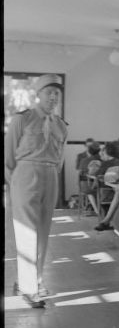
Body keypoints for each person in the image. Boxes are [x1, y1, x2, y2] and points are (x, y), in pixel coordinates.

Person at [5, 74, 68, 308]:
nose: (53, 97)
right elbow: (8, 157)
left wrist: (50, 176)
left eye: (57, 93)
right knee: (26, 232)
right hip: (25, 174)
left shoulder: (62, 125)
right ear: (38, 94)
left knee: (42, 232)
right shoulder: (22, 119)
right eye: (48, 92)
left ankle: (33, 280)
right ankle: (29, 288)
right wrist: (16, 185)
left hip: (50, 174)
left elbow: (59, 159)